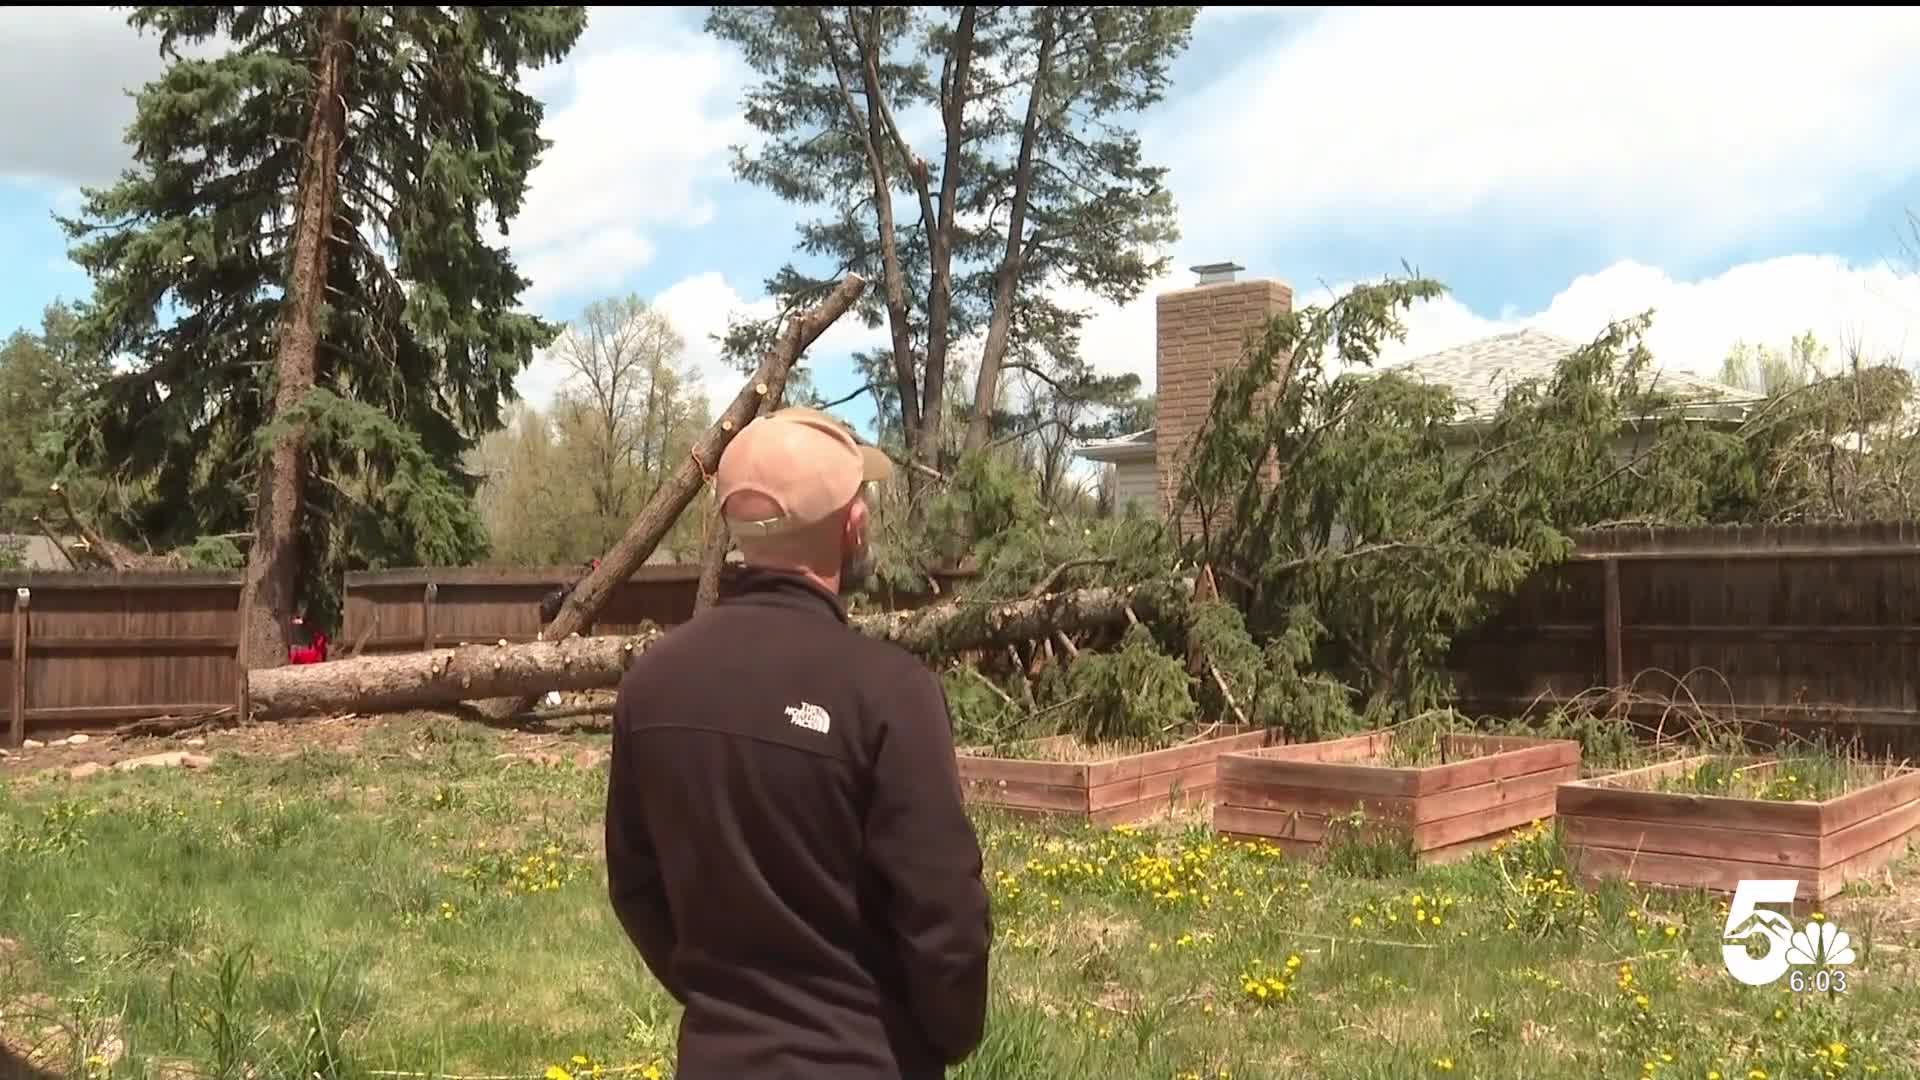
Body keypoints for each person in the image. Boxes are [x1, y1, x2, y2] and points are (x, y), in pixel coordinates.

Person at [604, 406, 993, 1080]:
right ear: (853, 525)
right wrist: (938, 1041)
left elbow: (637, 888)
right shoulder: (888, 693)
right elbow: (945, 919)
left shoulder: (652, 684)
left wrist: (728, 1012)